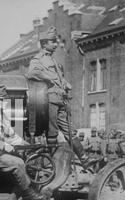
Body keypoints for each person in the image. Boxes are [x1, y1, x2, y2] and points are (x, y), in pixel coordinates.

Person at [27, 26, 95, 170]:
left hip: (61, 99)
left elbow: (60, 78)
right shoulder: (38, 59)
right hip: (50, 99)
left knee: (70, 131)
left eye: (55, 41)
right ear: (44, 43)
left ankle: (85, 159)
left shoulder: (54, 61)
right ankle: (51, 166)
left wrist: (65, 83)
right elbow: (31, 72)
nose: (55, 44)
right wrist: (48, 77)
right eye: (52, 41)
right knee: (52, 132)